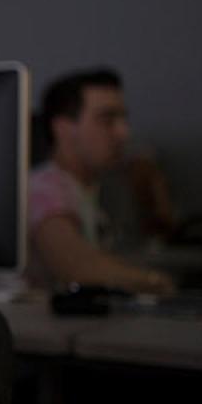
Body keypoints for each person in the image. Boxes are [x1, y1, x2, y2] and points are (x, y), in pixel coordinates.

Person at [26, 68, 175, 294]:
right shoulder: (44, 188)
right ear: (63, 128)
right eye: (107, 120)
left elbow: (160, 231)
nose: (124, 132)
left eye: (123, 119)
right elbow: (77, 266)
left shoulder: (98, 186)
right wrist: (154, 281)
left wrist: (152, 185)